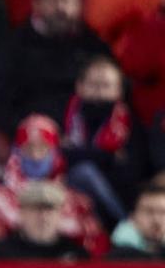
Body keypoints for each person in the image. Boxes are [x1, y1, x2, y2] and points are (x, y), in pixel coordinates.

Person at [0, 0, 110, 135]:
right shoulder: (14, 46)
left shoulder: (92, 45)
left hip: (85, 140)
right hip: (32, 140)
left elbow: (114, 92)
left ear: (79, 5)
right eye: (53, 0)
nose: (61, 8)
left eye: (68, 0)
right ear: (37, 3)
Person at [0, 114, 108, 256]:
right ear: (16, 151)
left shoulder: (77, 200)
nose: (36, 156)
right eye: (29, 149)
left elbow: (96, 247)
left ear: (55, 152)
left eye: (43, 148)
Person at [61, 56, 145, 226]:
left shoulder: (131, 123)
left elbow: (132, 168)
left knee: (86, 171)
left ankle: (123, 224)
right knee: (84, 173)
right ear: (80, 86)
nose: (99, 90)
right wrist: (108, 156)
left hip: (118, 191)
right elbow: (60, 156)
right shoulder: (64, 115)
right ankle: (126, 224)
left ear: (119, 91)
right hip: (70, 188)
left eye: (106, 85)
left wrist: (80, 153)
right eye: (93, 84)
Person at [0, 180, 90, 261]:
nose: (43, 215)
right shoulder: (2, 253)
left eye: (49, 209)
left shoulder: (76, 253)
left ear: (60, 214)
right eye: (36, 209)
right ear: (22, 214)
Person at [106, 183, 165, 260]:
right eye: (149, 212)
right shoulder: (118, 256)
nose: (156, 220)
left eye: (163, 212)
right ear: (132, 216)